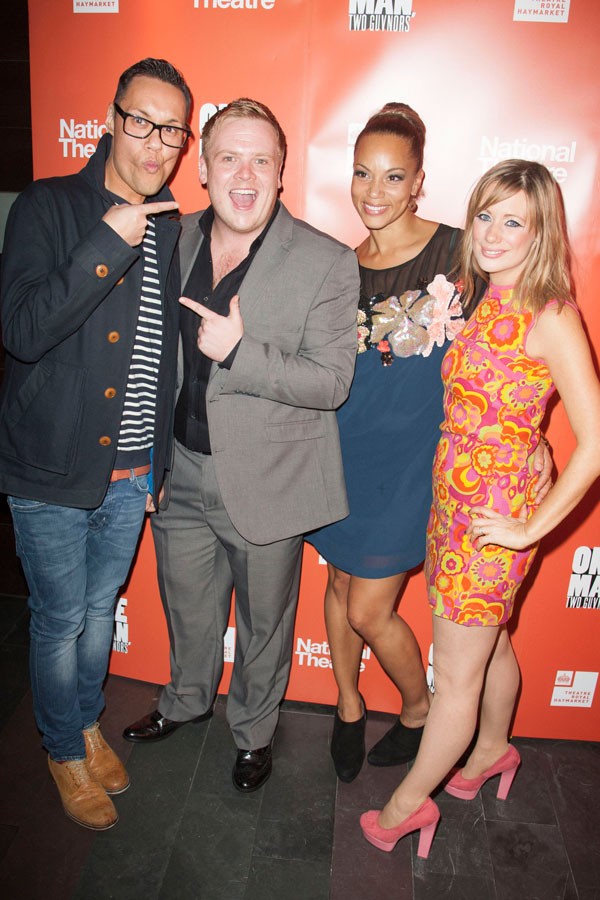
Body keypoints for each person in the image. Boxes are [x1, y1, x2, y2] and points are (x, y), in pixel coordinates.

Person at [359, 159, 600, 857]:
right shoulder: (484, 294)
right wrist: (531, 445)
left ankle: (407, 808)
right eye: (485, 215)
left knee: (455, 678)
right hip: (453, 504)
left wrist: (528, 525)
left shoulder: (550, 312)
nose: (493, 232)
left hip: (491, 526)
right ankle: (494, 748)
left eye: (513, 220)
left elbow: (594, 440)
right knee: (490, 644)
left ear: (541, 232)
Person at [307, 105, 551, 783]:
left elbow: (519, 334)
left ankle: (416, 710)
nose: (374, 191)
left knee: (368, 606)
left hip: (415, 464)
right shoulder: (336, 266)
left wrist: (532, 435)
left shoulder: (461, 251)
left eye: (392, 176)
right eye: (362, 173)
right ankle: (349, 705)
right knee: (337, 585)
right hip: (342, 451)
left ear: (418, 181)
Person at [122, 99, 360, 793]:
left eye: (262, 158)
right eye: (229, 156)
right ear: (202, 167)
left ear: (283, 171)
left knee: (263, 626)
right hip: (180, 471)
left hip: (268, 480)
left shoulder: (325, 260)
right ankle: (187, 701)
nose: (245, 173)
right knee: (188, 607)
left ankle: (253, 733)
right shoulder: (174, 235)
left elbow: (333, 382)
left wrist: (240, 353)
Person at [0, 58, 192, 830]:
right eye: (140, 121)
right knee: (59, 621)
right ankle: (60, 749)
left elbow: (164, 353)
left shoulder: (174, 221)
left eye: (171, 129)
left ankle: (83, 723)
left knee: (95, 607)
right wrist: (108, 242)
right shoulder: (48, 207)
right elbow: (22, 331)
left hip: (132, 470)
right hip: (50, 468)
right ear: (112, 119)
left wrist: (162, 464)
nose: (154, 142)